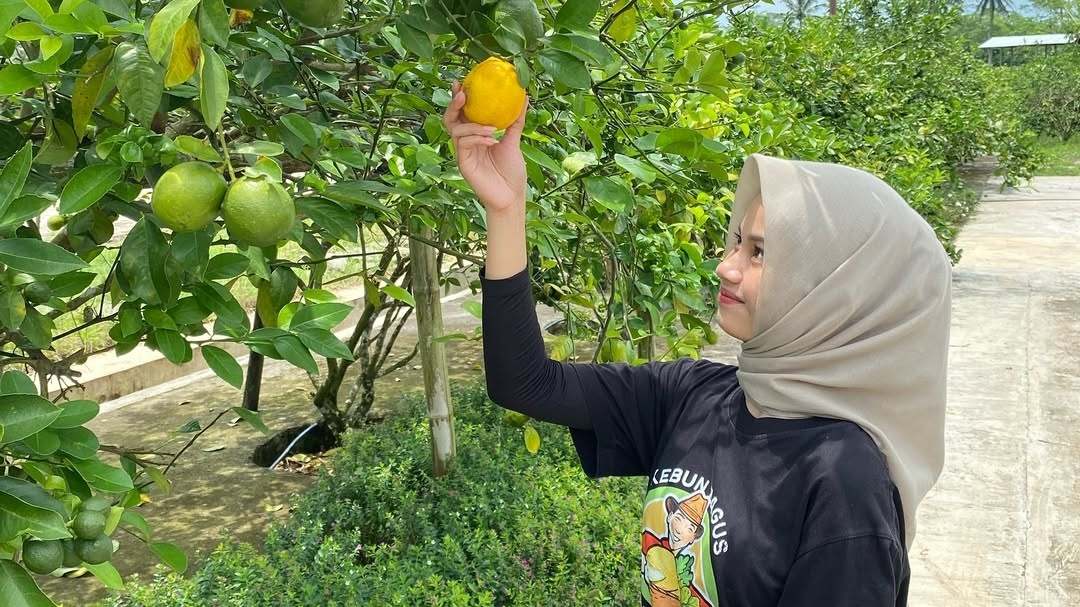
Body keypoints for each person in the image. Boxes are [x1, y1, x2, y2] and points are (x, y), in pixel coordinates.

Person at [443, 78, 951, 606]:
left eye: (759, 253)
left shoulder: (844, 479)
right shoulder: (699, 394)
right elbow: (526, 383)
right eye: (737, 241)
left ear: (835, 292)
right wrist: (507, 209)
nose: (725, 266)